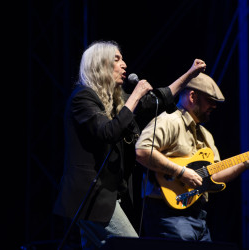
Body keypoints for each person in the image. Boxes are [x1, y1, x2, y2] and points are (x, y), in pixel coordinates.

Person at [53, 40, 207, 249]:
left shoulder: (117, 101)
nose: (124, 64)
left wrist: (189, 74)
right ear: (100, 65)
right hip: (90, 197)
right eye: (117, 59)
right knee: (131, 246)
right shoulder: (82, 98)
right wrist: (135, 96)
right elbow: (108, 132)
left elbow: (159, 99)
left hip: (107, 196)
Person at [135, 72, 249, 242]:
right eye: (209, 100)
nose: (214, 106)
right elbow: (142, 151)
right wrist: (181, 172)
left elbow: (214, 175)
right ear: (193, 96)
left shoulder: (206, 135)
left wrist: (245, 162)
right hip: (168, 215)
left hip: (198, 216)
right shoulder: (169, 121)